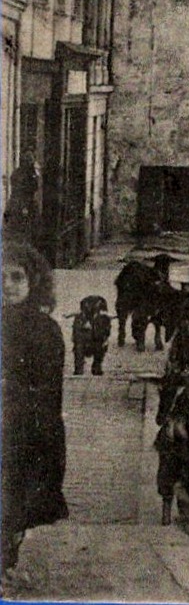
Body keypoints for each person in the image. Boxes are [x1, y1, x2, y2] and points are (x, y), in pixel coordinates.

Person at [2, 241, 68, 583]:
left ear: (33, 281)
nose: (7, 285)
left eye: (16, 277)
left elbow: (47, 393)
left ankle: (6, 563)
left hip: (24, 434)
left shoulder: (45, 330)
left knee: (14, 506)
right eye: (1, 278)